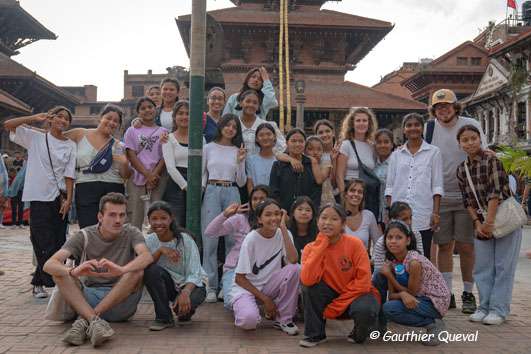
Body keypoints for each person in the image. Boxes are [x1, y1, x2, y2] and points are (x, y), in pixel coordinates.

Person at [43, 193, 153, 347]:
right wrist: (74, 271)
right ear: (100, 217)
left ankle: (86, 320)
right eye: (112, 215)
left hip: (120, 304)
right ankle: (95, 322)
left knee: (137, 271)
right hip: (87, 299)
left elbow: (146, 257)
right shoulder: (84, 235)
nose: (118, 220)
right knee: (60, 274)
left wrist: (121, 270)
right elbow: (49, 264)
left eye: (122, 215)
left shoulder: (131, 232)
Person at [4, 107, 76, 298]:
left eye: (67, 119)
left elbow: (70, 175)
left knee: (59, 240)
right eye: (59, 116)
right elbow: (8, 125)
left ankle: (40, 281)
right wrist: (34, 117)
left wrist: (69, 199)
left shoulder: (70, 145)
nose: (63, 121)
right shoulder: (35, 138)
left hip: (59, 197)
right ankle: (45, 281)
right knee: (42, 240)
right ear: (50, 119)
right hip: (38, 196)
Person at [456, 124, 522, 325]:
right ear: (459, 144)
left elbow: (496, 192)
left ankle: (498, 309)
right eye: (465, 140)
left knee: (503, 266)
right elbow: (467, 200)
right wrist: (478, 223)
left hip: (502, 219)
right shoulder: (461, 169)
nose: (470, 142)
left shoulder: (491, 159)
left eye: (473, 138)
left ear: (480, 139)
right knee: (483, 267)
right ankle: (484, 306)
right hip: (481, 223)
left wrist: (489, 222)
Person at [426, 89, 485, 313]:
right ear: (434, 110)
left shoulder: (470, 124)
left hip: (466, 196)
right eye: (439, 107)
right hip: (439, 196)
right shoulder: (429, 128)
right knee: (443, 246)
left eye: (447, 106)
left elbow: (482, 153)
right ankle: (446, 292)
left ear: (455, 106)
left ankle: (468, 293)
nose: (443, 110)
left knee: (467, 245)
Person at [299, 203, 380, 347]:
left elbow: (364, 282)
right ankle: (315, 334)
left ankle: (358, 332)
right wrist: (321, 246)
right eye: (324, 218)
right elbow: (307, 279)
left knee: (365, 309)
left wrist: (337, 306)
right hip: (330, 295)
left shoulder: (355, 244)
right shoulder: (310, 248)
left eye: (334, 219)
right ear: (317, 221)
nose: (328, 223)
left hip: (357, 295)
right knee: (308, 288)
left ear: (343, 224)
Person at [231, 198, 300, 335]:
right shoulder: (251, 239)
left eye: (277, 214)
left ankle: (284, 319)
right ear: (259, 219)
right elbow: (239, 278)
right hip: (247, 289)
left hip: (269, 286)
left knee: (296, 268)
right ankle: (244, 308)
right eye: (268, 215)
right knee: (248, 321)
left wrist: (284, 228)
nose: (273, 218)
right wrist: (266, 300)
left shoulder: (284, 234)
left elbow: (293, 260)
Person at [381, 221, 450, 346]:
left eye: (399, 237)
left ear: (408, 241)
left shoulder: (414, 262)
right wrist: (402, 294)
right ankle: (431, 323)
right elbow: (391, 296)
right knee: (389, 308)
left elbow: (411, 293)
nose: (393, 241)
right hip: (418, 298)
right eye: (389, 237)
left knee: (390, 308)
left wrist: (389, 276)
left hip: (434, 301)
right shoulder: (393, 262)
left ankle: (434, 323)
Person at [201, 114, 247, 302]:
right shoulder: (208, 147)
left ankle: (226, 284)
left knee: (232, 241)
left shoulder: (238, 149)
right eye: (227, 125)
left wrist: (241, 161)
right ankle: (210, 286)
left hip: (232, 191)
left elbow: (241, 181)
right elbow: (203, 174)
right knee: (210, 240)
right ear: (220, 126)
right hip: (212, 190)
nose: (230, 129)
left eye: (234, 127)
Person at [385, 113, 443, 259]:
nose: (413, 128)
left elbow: (437, 185)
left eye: (416, 125)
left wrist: (435, 212)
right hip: (399, 214)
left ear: (422, 128)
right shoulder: (396, 155)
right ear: (404, 129)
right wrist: (389, 212)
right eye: (409, 125)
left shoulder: (433, 152)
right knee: (398, 255)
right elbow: (390, 186)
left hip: (424, 212)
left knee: (423, 257)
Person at [63, 104, 131, 228]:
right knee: (88, 227)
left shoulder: (118, 145)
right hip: (85, 186)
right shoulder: (79, 134)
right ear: (100, 118)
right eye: (108, 118)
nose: (111, 122)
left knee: (111, 228)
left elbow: (125, 175)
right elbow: (54, 137)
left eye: (116, 121)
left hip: (113, 186)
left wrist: (125, 162)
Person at [204, 185, 271, 308]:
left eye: (262, 199)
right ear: (250, 202)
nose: (258, 202)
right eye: (255, 199)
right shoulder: (240, 219)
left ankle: (248, 298)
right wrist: (225, 214)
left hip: (262, 271)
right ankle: (234, 291)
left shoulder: (274, 222)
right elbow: (210, 232)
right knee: (231, 302)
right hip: (235, 269)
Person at [143, 201, 206, 330]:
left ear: (171, 219)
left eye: (163, 218)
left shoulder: (185, 239)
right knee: (151, 270)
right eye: (154, 219)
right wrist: (160, 251)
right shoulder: (149, 240)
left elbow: (195, 272)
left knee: (182, 311)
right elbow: (144, 265)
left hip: (192, 285)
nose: (158, 223)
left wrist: (185, 293)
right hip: (170, 284)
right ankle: (164, 318)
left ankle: (185, 311)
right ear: (148, 220)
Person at [124, 97, 167, 229]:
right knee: (135, 214)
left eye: (150, 107)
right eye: (143, 108)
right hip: (137, 176)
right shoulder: (132, 131)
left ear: (155, 109)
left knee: (157, 213)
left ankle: (155, 245)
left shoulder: (163, 131)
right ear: (138, 112)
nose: (147, 110)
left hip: (158, 178)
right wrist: (147, 174)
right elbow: (131, 154)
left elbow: (164, 156)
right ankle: (134, 247)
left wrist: (154, 175)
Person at [162, 101, 204, 227]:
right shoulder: (168, 139)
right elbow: (170, 167)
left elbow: (204, 164)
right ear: (174, 117)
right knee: (177, 224)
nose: (185, 117)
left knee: (195, 224)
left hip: (197, 183)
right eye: (181, 113)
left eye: (188, 113)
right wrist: (185, 186)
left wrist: (200, 186)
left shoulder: (201, 138)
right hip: (176, 186)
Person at [270, 128, 322, 211]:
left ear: (305, 144)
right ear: (287, 143)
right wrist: (280, 212)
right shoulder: (278, 165)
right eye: (293, 141)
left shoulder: (311, 164)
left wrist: (311, 211)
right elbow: (274, 192)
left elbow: (316, 192)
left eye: (301, 141)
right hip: (283, 213)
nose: (297, 144)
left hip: (307, 214)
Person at [336, 107, 377, 207]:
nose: (361, 123)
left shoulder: (372, 146)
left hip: (366, 193)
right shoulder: (346, 145)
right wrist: (343, 196)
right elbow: (339, 175)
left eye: (364, 120)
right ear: (352, 124)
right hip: (349, 191)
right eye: (358, 120)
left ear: (369, 124)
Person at [236, 89, 286, 156]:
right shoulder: (233, 125)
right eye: (248, 101)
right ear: (241, 103)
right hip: (237, 164)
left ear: (258, 106)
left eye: (255, 103)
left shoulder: (269, 126)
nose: (251, 105)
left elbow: (282, 146)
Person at [342, 179, 381, 252]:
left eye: (360, 192)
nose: (356, 194)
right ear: (345, 194)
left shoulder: (369, 216)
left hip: (363, 260)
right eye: (352, 191)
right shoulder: (337, 215)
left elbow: (378, 244)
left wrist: (372, 260)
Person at [246, 123, 277, 194]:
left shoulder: (279, 159)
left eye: (269, 134)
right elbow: (250, 183)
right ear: (256, 139)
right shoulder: (251, 160)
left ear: (274, 136)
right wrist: (253, 200)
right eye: (261, 135)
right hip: (258, 200)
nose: (265, 137)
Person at [314, 120, 339, 205]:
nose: (324, 135)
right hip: (317, 195)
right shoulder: (312, 154)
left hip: (336, 196)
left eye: (327, 131)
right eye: (320, 132)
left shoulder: (341, 152)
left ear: (333, 133)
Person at [373, 129, 395, 224]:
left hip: (391, 212)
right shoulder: (372, 164)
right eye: (379, 142)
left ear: (392, 144)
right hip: (374, 212)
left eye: (386, 142)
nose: (383, 145)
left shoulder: (398, 163)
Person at [288, 196, 318, 261]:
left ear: (312, 215)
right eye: (300, 209)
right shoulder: (287, 233)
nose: (303, 213)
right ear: (293, 213)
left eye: (308, 210)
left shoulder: (318, 233)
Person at [0, 155, 8, 228]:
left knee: (2, 208)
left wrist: (5, 193)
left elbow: (5, 181)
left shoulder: (4, 171)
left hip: (3, 192)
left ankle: (0, 222)